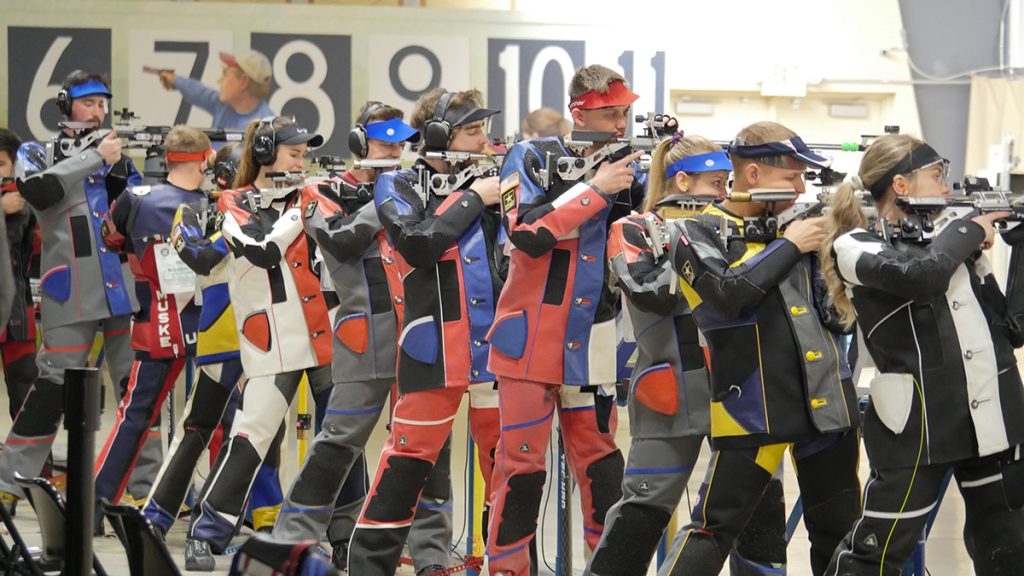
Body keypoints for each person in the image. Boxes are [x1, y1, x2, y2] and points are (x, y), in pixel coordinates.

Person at [662, 121, 862, 576]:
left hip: (827, 404)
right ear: (753, 175)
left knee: (839, 532)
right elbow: (727, 294)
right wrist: (789, 244)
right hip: (752, 405)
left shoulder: (803, 227)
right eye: (791, 177)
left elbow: (837, 315)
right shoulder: (696, 231)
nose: (800, 188)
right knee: (711, 533)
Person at [822, 134, 1024, 575]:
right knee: (874, 556)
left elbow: (1014, 328)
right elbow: (921, 276)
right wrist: (970, 228)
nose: (948, 189)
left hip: (993, 420)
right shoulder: (855, 246)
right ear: (901, 184)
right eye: (938, 176)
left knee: (1009, 548)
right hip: (917, 428)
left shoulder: (955, 246)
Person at [586, 134, 787, 576]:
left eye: (726, 182)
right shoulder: (635, 229)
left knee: (759, 514)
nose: (725, 192)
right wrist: (707, 256)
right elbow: (652, 292)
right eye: (717, 182)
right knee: (642, 514)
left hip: (745, 393)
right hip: (671, 390)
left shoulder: (735, 227)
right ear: (681, 181)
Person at [272, 101, 458, 572]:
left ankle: (431, 553)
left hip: (420, 335)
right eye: (384, 143)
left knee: (428, 449)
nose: (395, 151)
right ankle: (294, 539)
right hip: (364, 334)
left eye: (400, 144)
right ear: (360, 145)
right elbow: (338, 239)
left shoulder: (418, 188)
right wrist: (390, 198)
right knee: (338, 442)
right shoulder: (321, 190)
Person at [485, 64, 646, 576]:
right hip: (529, 339)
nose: (622, 124)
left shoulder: (626, 163)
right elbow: (525, 232)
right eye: (612, 113)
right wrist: (595, 189)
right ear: (580, 112)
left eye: (626, 113)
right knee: (522, 470)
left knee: (601, 470)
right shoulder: (528, 156)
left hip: (595, 343)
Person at [345, 88, 504, 576]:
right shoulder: (398, 184)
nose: (484, 140)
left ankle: (504, 564)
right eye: (473, 131)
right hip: (433, 348)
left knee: (506, 471)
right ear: (439, 137)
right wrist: (475, 197)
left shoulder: (496, 180)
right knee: (405, 466)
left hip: (497, 350)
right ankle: (368, 567)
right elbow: (417, 243)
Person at [183, 116, 331, 572]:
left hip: (323, 331)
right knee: (251, 437)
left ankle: (343, 536)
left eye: (305, 153)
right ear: (265, 152)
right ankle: (206, 532)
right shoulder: (233, 202)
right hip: (272, 341)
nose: (301, 159)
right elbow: (261, 249)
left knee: (337, 441)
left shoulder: (312, 196)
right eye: (293, 151)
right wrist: (300, 208)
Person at [0, 70, 140, 514]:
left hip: (120, 285)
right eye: (88, 103)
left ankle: (139, 481)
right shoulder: (35, 152)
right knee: (52, 387)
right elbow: (38, 192)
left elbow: (136, 205)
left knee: (135, 387)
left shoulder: (114, 153)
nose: (97, 111)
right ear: (66, 107)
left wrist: (116, 167)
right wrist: (93, 158)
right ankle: (11, 478)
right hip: (70, 289)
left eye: (102, 103)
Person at [142, 142, 283, 538]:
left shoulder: (273, 209)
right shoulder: (194, 211)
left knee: (269, 428)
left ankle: (267, 517)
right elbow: (199, 257)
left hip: (267, 331)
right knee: (198, 426)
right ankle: (156, 515)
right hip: (222, 330)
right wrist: (236, 229)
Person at [0, 129, 38, 425]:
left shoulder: (27, 202)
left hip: (17, 314)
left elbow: (40, 252)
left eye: (0, 164)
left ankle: (38, 467)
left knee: (27, 395)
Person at [158, 50, 274, 130]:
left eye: (226, 74)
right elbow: (199, 92)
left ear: (243, 82)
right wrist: (175, 79)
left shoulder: (265, 128)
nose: (219, 80)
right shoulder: (223, 105)